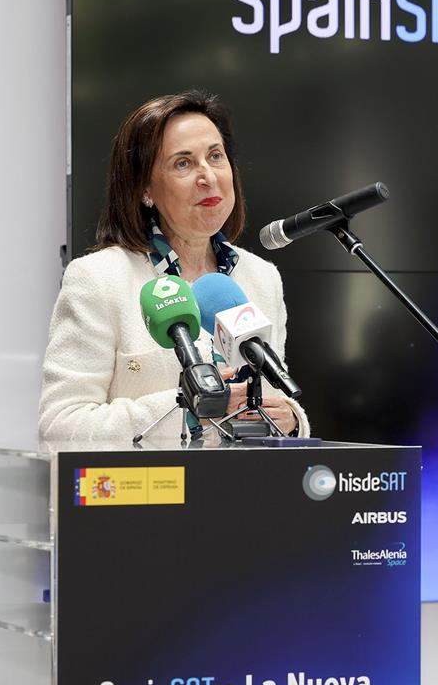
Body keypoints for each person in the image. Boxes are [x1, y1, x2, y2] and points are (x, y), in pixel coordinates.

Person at [38, 90, 309, 442]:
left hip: (246, 492)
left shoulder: (261, 278)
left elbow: (277, 398)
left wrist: (290, 419)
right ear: (145, 189)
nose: (208, 176)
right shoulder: (98, 279)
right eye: (183, 163)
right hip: (147, 493)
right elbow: (59, 426)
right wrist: (186, 407)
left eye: (215, 156)